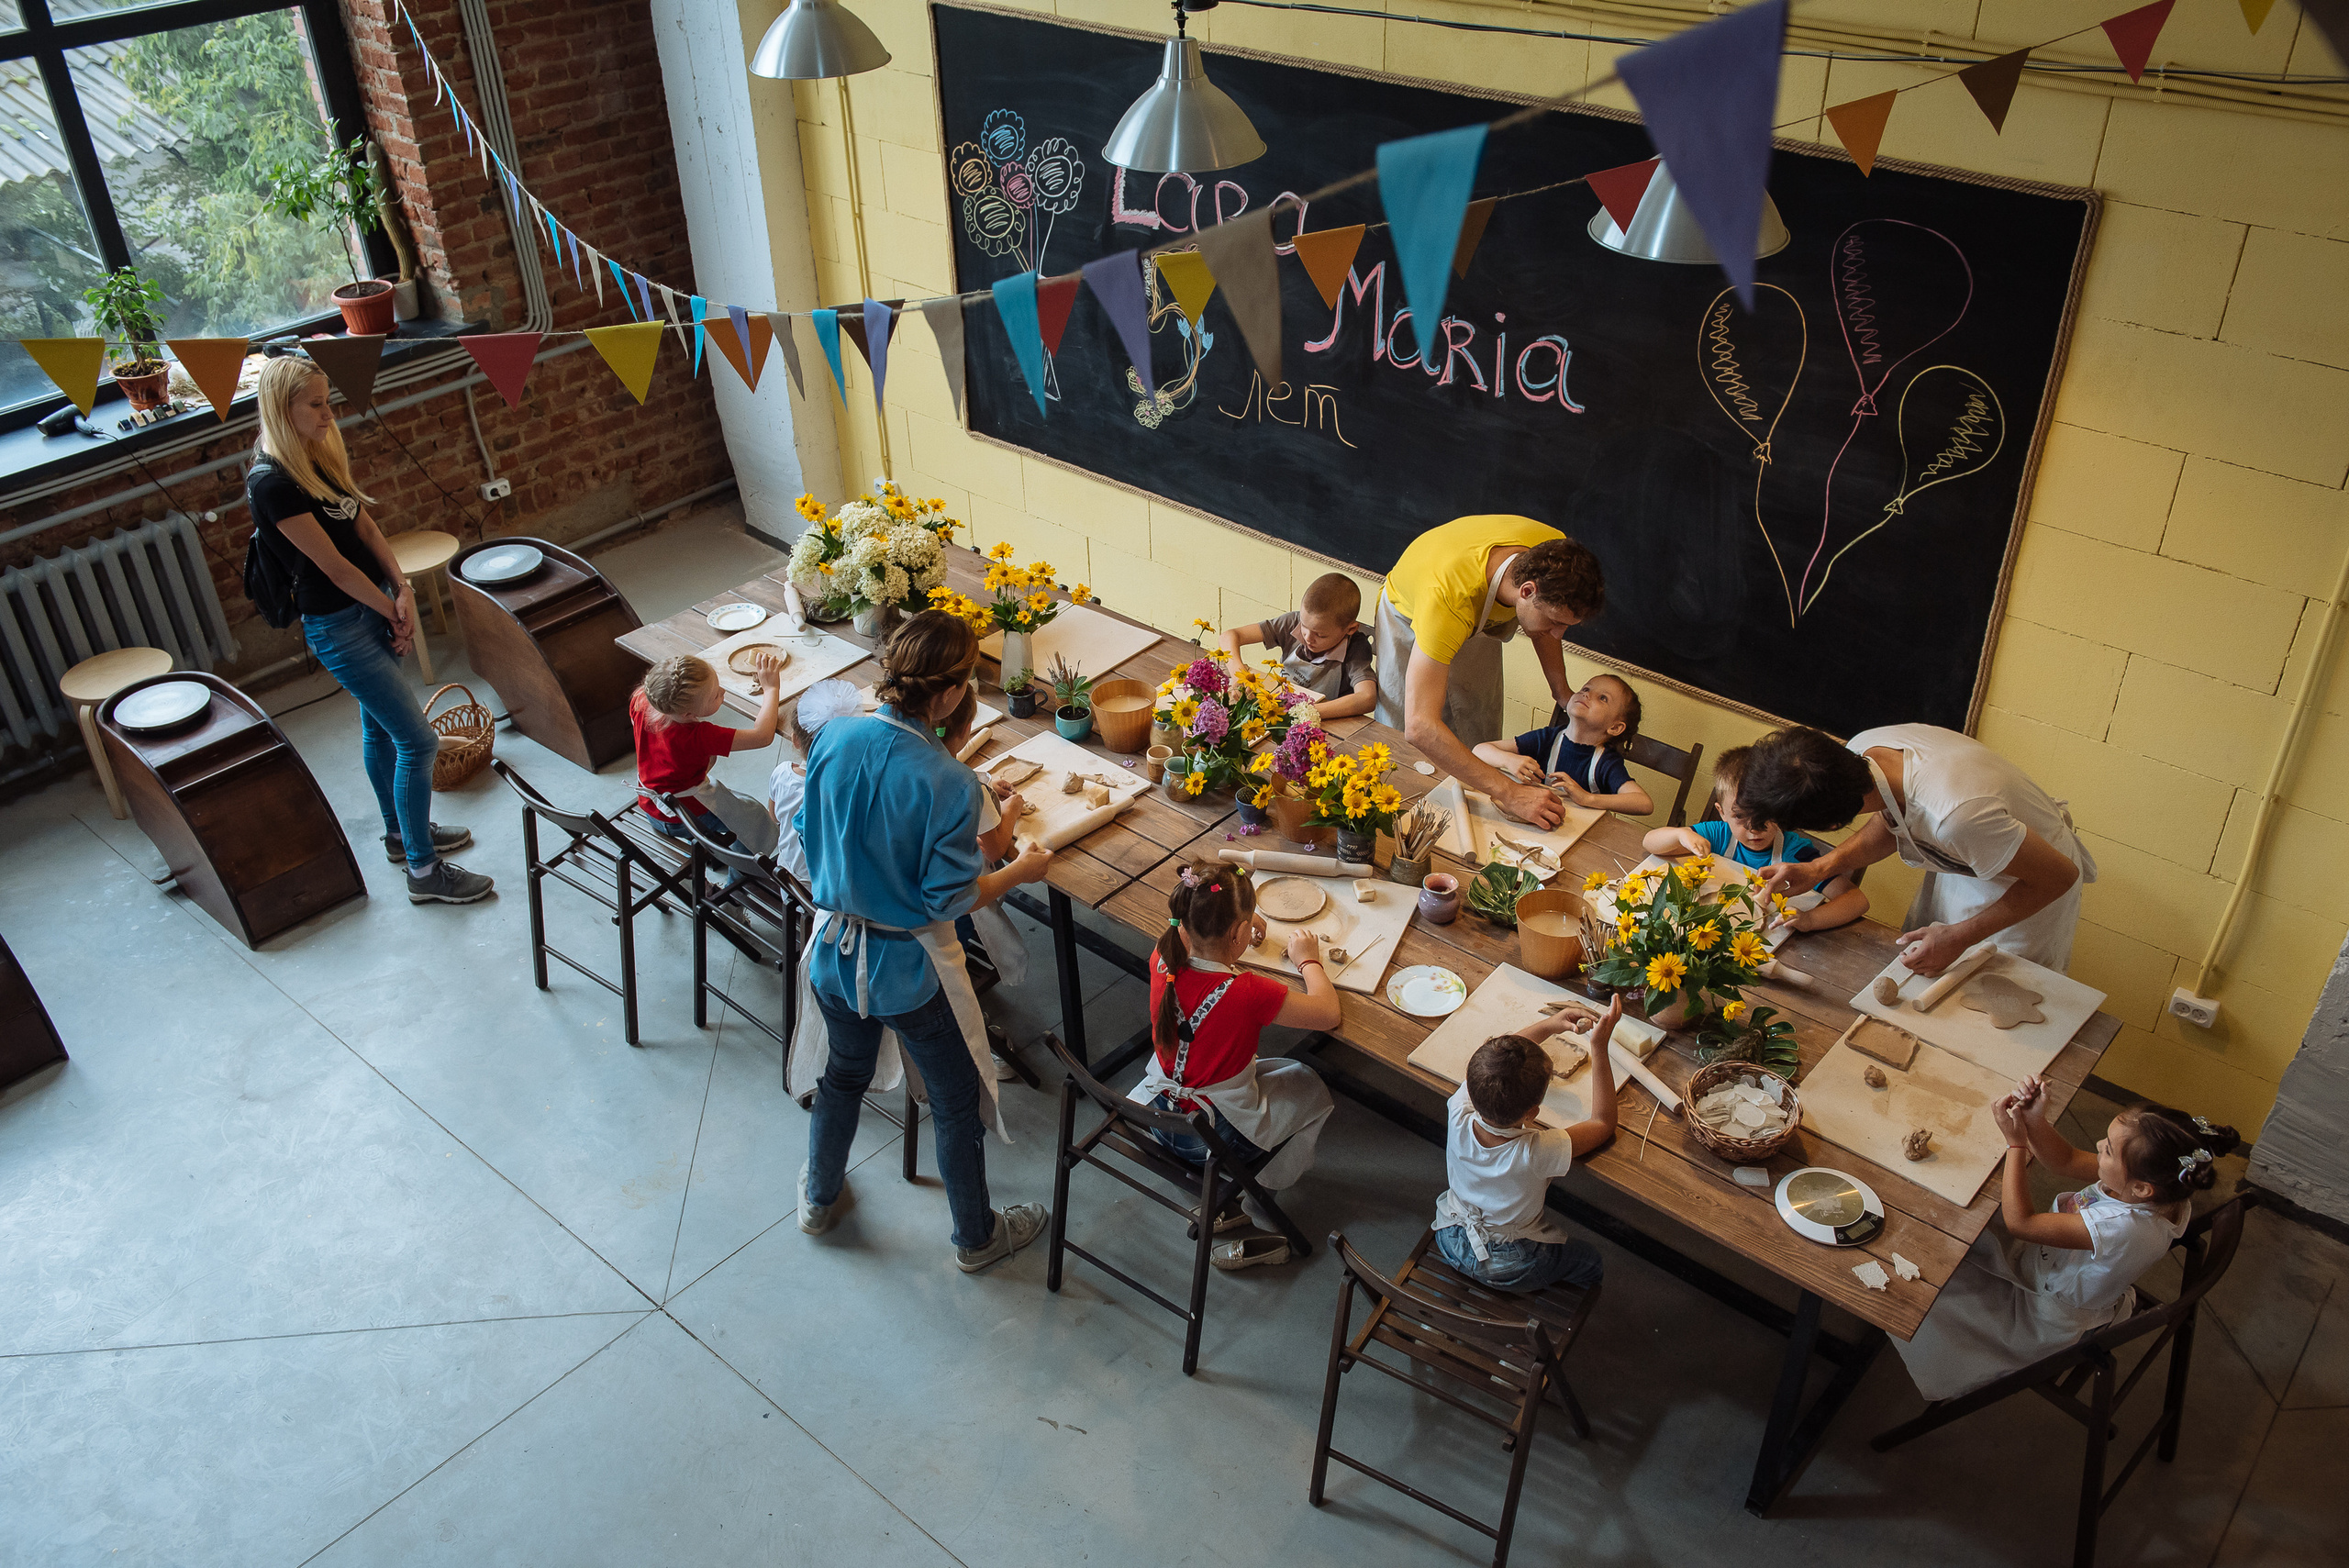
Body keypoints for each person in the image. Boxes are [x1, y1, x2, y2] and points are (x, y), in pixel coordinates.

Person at [795, 610, 1056, 1272]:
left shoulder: (834, 737)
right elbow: (952, 899)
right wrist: (1020, 870)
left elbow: (809, 829)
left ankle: (818, 1195)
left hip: (832, 950)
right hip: (907, 970)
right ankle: (976, 1236)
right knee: (955, 1100)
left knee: (843, 1074)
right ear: (947, 697)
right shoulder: (951, 783)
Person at [243, 356, 490, 906]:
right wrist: (389, 610)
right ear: (283, 410)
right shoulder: (273, 482)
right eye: (316, 405)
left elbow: (366, 526)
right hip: (339, 623)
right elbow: (332, 566)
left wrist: (401, 589)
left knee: (380, 731)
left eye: (328, 401)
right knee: (417, 740)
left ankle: (404, 836)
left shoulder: (313, 456)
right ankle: (425, 874)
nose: (330, 415)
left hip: (372, 604)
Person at [1894, 1084, 2238, 1401]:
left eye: (2107, 1151)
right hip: (2045, 1267)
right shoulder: (2164, 1189)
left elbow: (2022, 1223)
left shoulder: (2123, 1228)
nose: (2099, 1148)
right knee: (1956, 1230)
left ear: (2141, 1188)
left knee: (1917, 1292)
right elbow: (2066, 1160)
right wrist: (2034, 1121)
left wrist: (2016, 1145)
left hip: (2043, 1319)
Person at [1740, 725, 2099, 973]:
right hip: (1968, 855)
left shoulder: (1955, 818)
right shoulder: (1862, 753)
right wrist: (1819, 869)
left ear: (1834, 824)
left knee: (1988, 998)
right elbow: (1894, 819)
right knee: (1925, 964)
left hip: (2035, 879)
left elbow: (2060, 876)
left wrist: (1960, 936)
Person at [1132, 859, 1342, 1270]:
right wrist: (1308, 960)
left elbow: (1191, 919)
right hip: (1211, 1138)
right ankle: (1261, 1204)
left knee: (1274, 1071)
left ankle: (1238, 1199)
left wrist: (1247, 919)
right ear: (1238, 933)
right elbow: (1328, 1011)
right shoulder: (1246, 991)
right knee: (1310, 1085)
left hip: (1160, 1117)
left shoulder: (1164, 954)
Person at [1373, 517, 1607, 830]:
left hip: (1469, 599)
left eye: (1566, 625)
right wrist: (1511, 793)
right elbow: (1419, 726)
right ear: (1526, 591)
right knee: (1403, 735)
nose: (1558, 634)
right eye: (1555, 622)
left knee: (1478, 719)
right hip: (1411, 611)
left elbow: (1543, 630)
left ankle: (1474, 810)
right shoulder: (1448, 600)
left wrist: (1563, 695)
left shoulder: (1554, 556)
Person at [1431, 996, 1623, 1292]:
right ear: (1532, 1113)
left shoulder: (1458, 1108)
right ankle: (1546, 1300)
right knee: (1590, 1261)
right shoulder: (1537, 1151)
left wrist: (1550, 1024)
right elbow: (1603, 1123)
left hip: (1449, 1234)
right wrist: (1599, 1047)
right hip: (1510, 1262)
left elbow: (1496, 1064)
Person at [1642, 745, 1868, 933]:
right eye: (1740, 816)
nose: (1754, 827)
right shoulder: (1718, 834)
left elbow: (1856, 900)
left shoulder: (1796, 854)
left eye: (1764, 814)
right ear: (1722, 813)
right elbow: (1650, 842)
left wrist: (1810, 920)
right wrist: (1682, 834)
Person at [630, 651, 783, 859]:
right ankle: (742, 872)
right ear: (686, 714)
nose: (722, 691)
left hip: (650, 804)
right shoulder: (698, 736)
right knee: (755, 820)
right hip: (682, 818)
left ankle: (710, 848)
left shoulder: (642, 699)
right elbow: (763, 736)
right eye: (715, 695)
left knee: (738, 807)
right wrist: (771, 688)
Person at [1471, 672, 1654, 817]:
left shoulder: (1606, 762)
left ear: (1615, 727)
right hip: (1534, 820)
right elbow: (1479, 750)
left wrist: (1587, 798)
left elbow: (1643, 803)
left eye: (1603, 698)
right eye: (1586, 688)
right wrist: (1508, 760)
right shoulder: (1546, 738)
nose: (1587, 694)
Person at [1219, 572, 1377, 718]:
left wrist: (1304, 711)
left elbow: (1367, 698)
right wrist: (1239, 674)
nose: (1308, 637)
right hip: (1278, 707)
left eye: (1320, 635)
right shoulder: (1292, 622)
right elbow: (1228, 637)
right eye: (1304, 626)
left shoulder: (1356, 648)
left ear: (1350, 629)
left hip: (1322, 721)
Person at [767, 678, 861, 885]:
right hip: (824, 892)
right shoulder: (846, 792)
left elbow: (773, 816)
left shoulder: (782, 773)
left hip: (788, 879)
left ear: (795, 740)